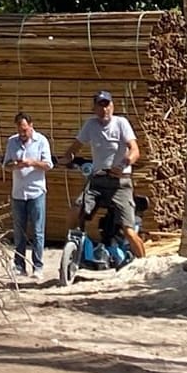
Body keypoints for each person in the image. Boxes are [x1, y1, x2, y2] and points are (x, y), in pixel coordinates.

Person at [69, 89, 146, 261]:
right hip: (97, 181)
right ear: (94, 108)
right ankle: (73, 243)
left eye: (107, 105)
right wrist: (65, 158)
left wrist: (124, 164)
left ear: (112, 106)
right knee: (76, 208)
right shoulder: (90, 125)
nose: (104, 109)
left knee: (128, 230)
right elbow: (75, 147)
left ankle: (144, 263)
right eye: (100, 105)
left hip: (120, 183)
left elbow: (135, 150)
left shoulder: (121, 123)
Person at [3, 112, 52, 279]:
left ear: (31, 126)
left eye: (25, 130)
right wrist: (14, 165)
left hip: (36, 191)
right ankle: (19, 265)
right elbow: (6, 164)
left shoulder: (41, 141)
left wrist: (32, 162)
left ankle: (38, 266)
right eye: (20, 130)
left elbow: (48, 164)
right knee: (19, 232)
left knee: (38, 231)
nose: (22, 134)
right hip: (18, 192)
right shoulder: (12, 142)